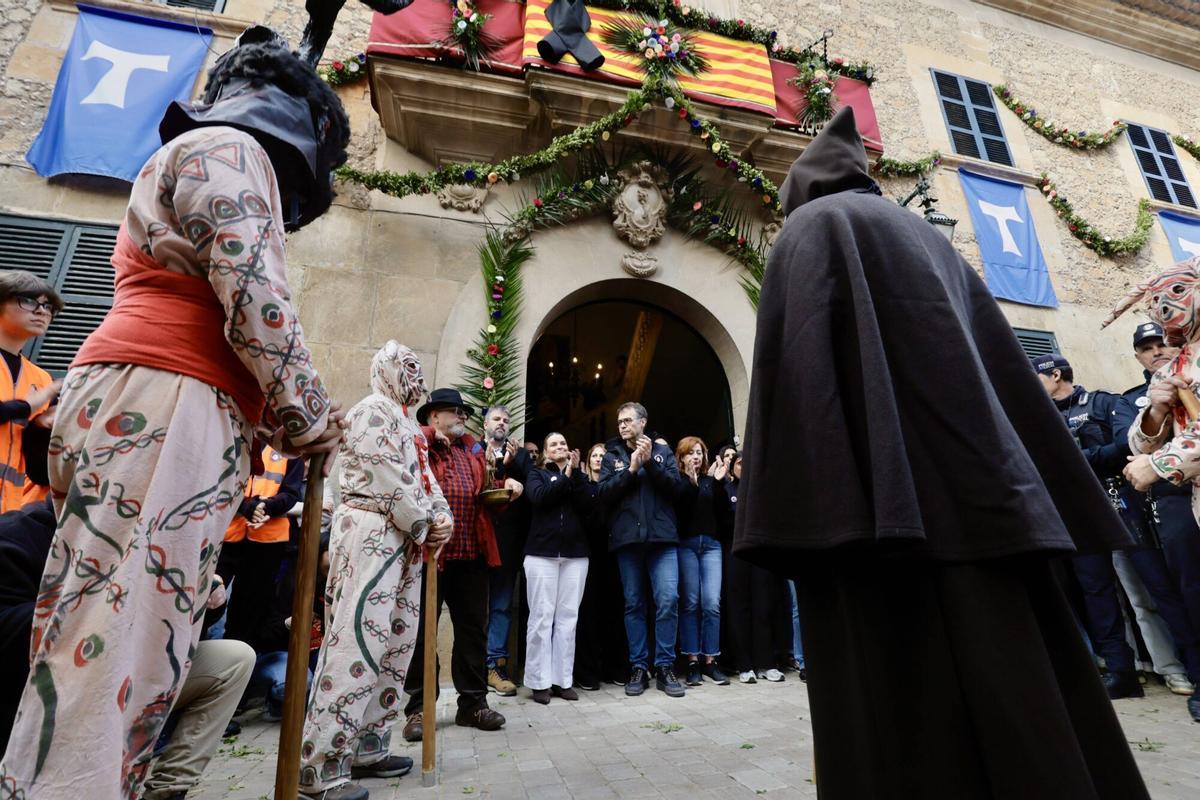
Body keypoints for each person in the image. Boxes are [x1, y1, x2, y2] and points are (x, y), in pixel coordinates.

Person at [736, 106, 1149, 798]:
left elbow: (803, 379)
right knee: (1031, 717)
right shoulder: (931, 241)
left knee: (902, 733)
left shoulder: (811, 229)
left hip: (876, 535)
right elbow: (1008, 383)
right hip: (989, 519)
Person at [0, 29, 347, 798]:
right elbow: (256, 295)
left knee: (128, 648)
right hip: (162, 399)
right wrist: (308, 414)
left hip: (162, 399)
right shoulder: (231, 147)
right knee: (110, 652)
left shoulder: (213, 148)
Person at [0, 498, 256, 800]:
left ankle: (165, 793)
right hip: (50, 691)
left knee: (234, 660)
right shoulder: (19, 534)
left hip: (132, 674)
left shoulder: (144, 532)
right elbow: (9, 630)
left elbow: (173, 629)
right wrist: (107, 606)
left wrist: (206, 599)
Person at [299, 343, 450, 799]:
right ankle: (321, 764)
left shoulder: (410, 425)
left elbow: (426, 480)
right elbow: (384, 475)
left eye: (417, 368)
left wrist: (442, 518)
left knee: (397, 644)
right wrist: (425, 521)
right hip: (370, 533)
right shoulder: (371, 411)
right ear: (384, 370)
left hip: (408, 541)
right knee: (358, 641)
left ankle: (369, 745)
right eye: (406, 367)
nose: (414, 375)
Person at [1033, 351, 1200, 717]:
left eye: (1037, 377)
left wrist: (1075, 458)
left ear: (1056, 374)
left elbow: (1129, 445)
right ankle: (1122, 672)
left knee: (1158, 587)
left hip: (1122, 503)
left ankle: (1191, 669)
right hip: (1076, 514)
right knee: (1097, 593)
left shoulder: (1103, 402)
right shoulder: (1040, 419)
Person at [403, 388, 507, 742]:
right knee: (421, 634)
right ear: (433, 416)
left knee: (473, 631)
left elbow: (485, 496)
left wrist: (507, 491)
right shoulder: (419, 447)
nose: (463, 416)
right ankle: (420, 707)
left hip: (471, 556)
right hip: (430, 557)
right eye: (455, 411)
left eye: (464, 412)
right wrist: (435, 438)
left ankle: (473, 705)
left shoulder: (472, 452)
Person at [1117, 321, 1200, 698]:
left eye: (1163, 343)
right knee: (1191, 589)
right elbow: (1135, 444)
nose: (1158, 351)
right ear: (1138, 356)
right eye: (1148, 347)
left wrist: (1157, 465)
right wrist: (1156, 409)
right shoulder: (1135, 397)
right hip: (1175, 500)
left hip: (1172, 479)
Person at [597, 401, 687, 698]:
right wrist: (632, 469)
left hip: (662, 540)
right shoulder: (612, 456)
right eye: (619, 421)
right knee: (634, 604)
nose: (622, 425)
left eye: (627, 420)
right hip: (628, 542)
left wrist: (649, 463)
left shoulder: (663, 453)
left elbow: (677, 490)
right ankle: (638, 667)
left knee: (668, 600)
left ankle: (664, 667)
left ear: (643, 422)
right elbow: (604, 494)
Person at [522, 433, 594, 703]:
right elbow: (541, 498)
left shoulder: (579, 476)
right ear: (545, 452)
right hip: (541, 553)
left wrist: (576, 476)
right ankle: (539, 682)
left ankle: (562, 680)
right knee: (541, 617)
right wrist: (565, 476)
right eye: (553, 444)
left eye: (564, 443)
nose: (560, 447)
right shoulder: (536, 474)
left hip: (576, 554)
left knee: (568, 618)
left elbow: (589, 505)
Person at [217, 441, 304, 648]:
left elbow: (291, 494)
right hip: (228, 535)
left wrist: (267, 507)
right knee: (210, 596)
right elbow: (222, 485)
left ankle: (234, 666)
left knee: (248, 612)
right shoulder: (240, 439)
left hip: (267, 543)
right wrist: (247, 507)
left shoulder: (292, 451)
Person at [475, 405, 532, 698]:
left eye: (506, 420)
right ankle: (474, 667)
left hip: (509, 542)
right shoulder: (473, 450)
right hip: (478, 541)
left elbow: (529, 491)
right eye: (496, 419)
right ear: (485, 424)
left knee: (500, 604)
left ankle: (495, 665)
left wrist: (511, 465)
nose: (502, 423)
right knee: (474, 607)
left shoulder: (521, 456)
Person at [723, 453, 790, 684]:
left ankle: (766, 664)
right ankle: (745, 666)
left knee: (764, 607)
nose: (744, 466)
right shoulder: (726, 489)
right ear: (731, 468)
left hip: (759, 554)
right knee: (740, 608)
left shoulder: (760, 491)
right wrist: (716, 482)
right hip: (735, 554)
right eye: (739, 463)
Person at [0, 270, 62, 514]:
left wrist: (41, 427)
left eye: (48, 307)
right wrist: (27, 406)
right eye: (28, 300)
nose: (41, 311)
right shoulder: (43, 390)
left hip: (9, 512)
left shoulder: (42, 379)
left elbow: (37, 471)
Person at [674, 437, 729, 686]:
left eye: (699, 452)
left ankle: (711, 661)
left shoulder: (711, 481)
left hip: (711, 546)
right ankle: (692, 661)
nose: (695, 456)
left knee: (711, 603)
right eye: (690, 453)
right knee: (691, 602)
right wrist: (691, 483)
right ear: (682, 457)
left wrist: (717, 484)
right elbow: (681, 513)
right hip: (686, 545)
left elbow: (722, 512)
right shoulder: (677, 482)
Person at [573, 443, 627, 688]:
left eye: (602, 456)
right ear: (587, 461)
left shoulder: (616, 486)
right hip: (588, 555)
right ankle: (588, 672)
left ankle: (614, 668)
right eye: (593, 455)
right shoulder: (583, 486)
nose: (598, 459)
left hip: (613, 553)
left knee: (614, 611)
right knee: (588, 613)